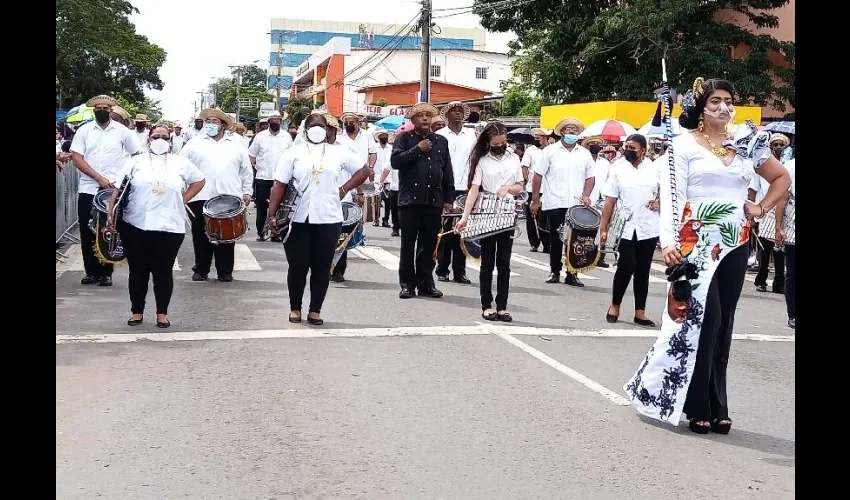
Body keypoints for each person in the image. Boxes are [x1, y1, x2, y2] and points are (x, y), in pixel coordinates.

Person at [624, 77, 791, 435]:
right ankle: (696, 404)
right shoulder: (681, 146)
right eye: (715, 101)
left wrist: (760, 208)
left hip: (735, 240)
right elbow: (673, 196)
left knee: (725, 324)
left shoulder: (747, 143)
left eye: (728, 100)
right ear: (701, 107)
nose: (723, 107)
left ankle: (719, 406)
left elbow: (781, 180)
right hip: (694, 242)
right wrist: (667, 242)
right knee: (704, 320)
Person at [267, 113, 371, 325]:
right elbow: (279, 185)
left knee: (322, 267)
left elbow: (364, 170)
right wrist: (272, 213)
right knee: (297, 266)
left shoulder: (339, 152)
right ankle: (295, 308)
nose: (317, 129)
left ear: (328, 130)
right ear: (305, 130)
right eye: (312, 125)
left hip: (328, 218)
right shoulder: (293, 153)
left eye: (321, 126)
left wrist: (344, 189)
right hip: (297, 218)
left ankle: (315, 310)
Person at [107, 125, 206, 328]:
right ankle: (137, 312)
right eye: (155, 136)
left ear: (170, 140)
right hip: (135, 224)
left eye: (163, 137)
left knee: (163, 271)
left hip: (169, 226)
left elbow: (199, 181)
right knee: (138, 270)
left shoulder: (180, 162)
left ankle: (162, 313)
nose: (159, 140)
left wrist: (182, 200)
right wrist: (110, 215)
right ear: (148, 140)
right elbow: (118, 189)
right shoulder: (135, 162)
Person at [70, 94, 142, 286]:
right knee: (87, 230)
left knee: (109, 228)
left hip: (113, 190)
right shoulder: (84, 131)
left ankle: (106, 272)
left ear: (111, 111)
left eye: (105, 108)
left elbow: (136, 155)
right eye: (98, 108)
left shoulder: (122, 131)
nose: (101, 111)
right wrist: (98, 177)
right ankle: (91, 272)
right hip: (88, 187)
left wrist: (122, 178)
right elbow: (77, 158)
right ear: (94, 110)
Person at [455, 122, 523, 322]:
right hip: (486, 212)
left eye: (502, 142)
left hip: (507, 213)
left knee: (504, 263)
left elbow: (520, 186)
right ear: (488, 142)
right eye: (495, 143)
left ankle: (502, 306)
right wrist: (465, 217)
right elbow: (474, 189)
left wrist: (508, 189)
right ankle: (486, 305)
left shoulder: (514, 159)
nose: (500, 146)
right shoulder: (483, 161)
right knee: (487, 263)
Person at [180, 108, 253, 282]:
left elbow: (246, 170)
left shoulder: (237, 145)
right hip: (200, 195)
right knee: (200, 233)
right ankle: (201, 269)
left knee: (227, 235)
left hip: (228, 195)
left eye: (215, 121)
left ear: (223, 125)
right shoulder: (194, 144)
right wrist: (182, 190)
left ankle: (225, 271)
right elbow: (181, 167)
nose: (211, 124)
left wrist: (247, 191)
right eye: (208, 121)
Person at [391, 102, 455, 299]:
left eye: (428, 115)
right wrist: (417, 149)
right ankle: (407, 285)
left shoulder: (441, 142)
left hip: (434, 200)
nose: (425, 118)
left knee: (429, 245)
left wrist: (449, 198)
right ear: (413, 121)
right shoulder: (404, 138)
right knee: (408, 244)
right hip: (409, 201)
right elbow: (395, 162)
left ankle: (426, 283)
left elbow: (447, 172)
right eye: (421, 115)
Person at [600, 134, 660, 327]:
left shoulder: (655, 168)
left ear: (643, 150)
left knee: (643, 270)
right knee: (626, 266)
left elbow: (667, 193)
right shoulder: (618, 169)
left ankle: (640, 312)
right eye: (626, 146)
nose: (628, 150)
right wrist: (604, 228)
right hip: (626, 227)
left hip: (648, 226)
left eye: (632, 147)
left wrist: (660, 202)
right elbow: (610, 200)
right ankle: (615, 305)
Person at [530, 117, 595, 287]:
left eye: (574, 129)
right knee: (556, 238)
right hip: (555, 201)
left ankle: (572, 273)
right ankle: (554, 270)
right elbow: (538, 175)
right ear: (562, 132)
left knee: (576, 240)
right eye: (568, 129)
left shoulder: (584, 154)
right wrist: (535, 199)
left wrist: (586, 195)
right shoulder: (550, 151)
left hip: (576, 204)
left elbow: (590, 177)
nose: (571, 132)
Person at [435, 101, 477, 284]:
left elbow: (477, 161)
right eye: (454, 111)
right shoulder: (439, 135)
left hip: (466, 188)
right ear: (447, 115)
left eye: (461, 111)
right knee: (446, 231)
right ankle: (442, 269)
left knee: (463, 230)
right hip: (445, 188)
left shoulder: (472, 136)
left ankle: (460, 271)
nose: (458, 114)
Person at [749, 132, 790, 293]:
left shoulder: (786, 165)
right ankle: (761, 281)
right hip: (763, 210)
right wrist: (753, 211)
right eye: (775, 145)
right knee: (764, 250)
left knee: (780, 249)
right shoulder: (760, 164)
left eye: (781, 145)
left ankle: (778, 283)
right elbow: (753, 189)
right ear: (770, 146)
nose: (778, 147)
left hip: (781, 210)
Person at [248, 111, 293, 242]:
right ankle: (261, 231)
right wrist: (248, 175)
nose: (275, 123)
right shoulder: (260, 137)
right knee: (261, 206)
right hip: (263, 176)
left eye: (278, 120)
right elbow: (251, 156)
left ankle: (276, 233)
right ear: (268, 122)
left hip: (281, 179)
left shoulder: (286, 137)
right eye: (272, 121)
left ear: (281, 122)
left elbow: (292, 156)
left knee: (281, 206)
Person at [583, 135, 613, 268]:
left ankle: (600, 256)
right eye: (592, 143)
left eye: (597, 143)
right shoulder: (583, 159)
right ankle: (585, 255)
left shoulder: (605, 163)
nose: (595, 145)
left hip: (602, 200)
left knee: (603, 228)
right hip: (586, 198)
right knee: (587, 229)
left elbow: (610, 180)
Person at [521, 128, 553, 253]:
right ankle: (534, 243)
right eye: (536, 137)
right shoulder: (530, 151)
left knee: (544, 218)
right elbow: (524, 167)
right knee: (531, 217)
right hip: (531, 188)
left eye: (539, 137)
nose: (537, 139)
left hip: (547, 190)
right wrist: (524, 181)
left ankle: (547, 244)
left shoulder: (552, 150)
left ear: (546, 138)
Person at [775, 157, 795, 329]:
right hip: (793, 225)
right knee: (793, 273)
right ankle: (793, 314)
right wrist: (778, 227)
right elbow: (782, 200)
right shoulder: (789, 167)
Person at [380, 133, 401, 236]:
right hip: (395, 186)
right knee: (395, 209)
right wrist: (381, 181)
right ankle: (395, 227)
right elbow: (387, 168)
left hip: (408, 187)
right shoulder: (393, 152)